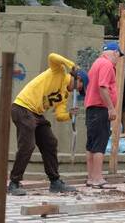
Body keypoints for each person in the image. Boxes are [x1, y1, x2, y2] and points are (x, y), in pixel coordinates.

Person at [8, 53, 88, 196]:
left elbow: (59, 116)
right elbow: (52, 56)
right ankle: (14, 183)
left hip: (36, 114)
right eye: (79, 88)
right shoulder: (59, 72)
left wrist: (69, 115)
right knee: (28, 145)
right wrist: (71, 65)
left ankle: (55, 182)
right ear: (78, 79)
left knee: (50, 142)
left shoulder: (65, 95)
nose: (77, 91)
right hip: (22, 107)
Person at [84, 42, 124, 188]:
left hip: (92, 109)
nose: (118, 59)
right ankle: (97, 178)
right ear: (114, 52)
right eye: (118, 56)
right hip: (100, 109)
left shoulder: (97, 63)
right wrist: (111, 108)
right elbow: (103, 87)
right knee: (99, 145)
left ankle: (90, 177)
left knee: (91, 145)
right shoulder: (107, 65)